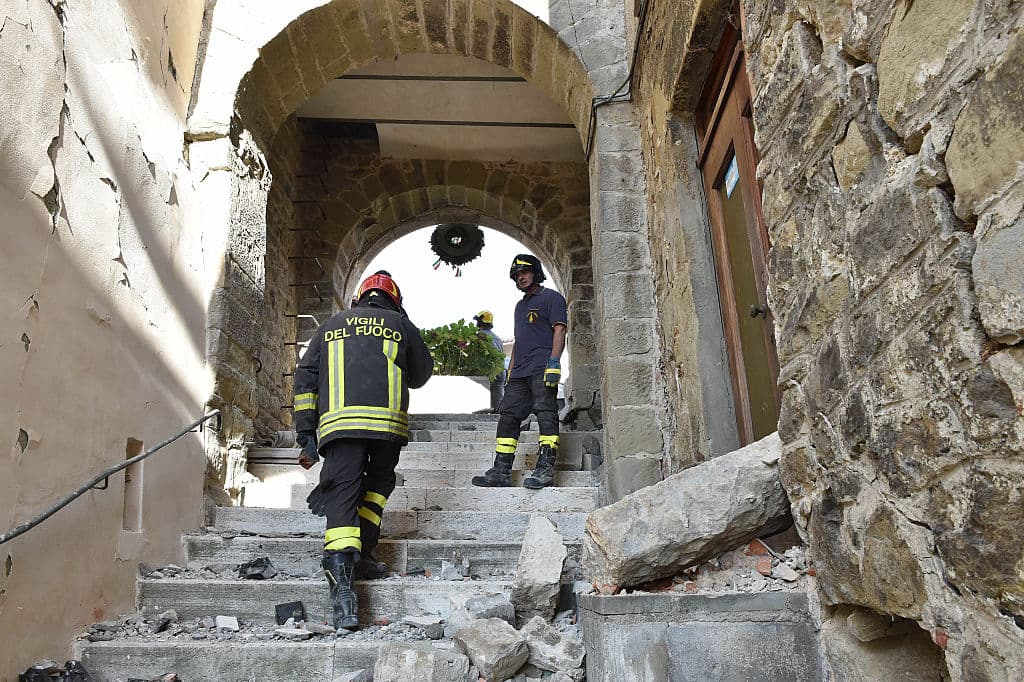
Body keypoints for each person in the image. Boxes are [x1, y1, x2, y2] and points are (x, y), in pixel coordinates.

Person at [292, 270, 433, 630]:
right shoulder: (400, 324)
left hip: (340, 427)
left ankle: (343, 588)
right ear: (394, 300)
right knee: (377, 487)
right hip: (386, 428)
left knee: (343, 493)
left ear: (358, 298)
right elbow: (420, 375)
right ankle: (363, 551)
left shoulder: (330, 325)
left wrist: (306, 431)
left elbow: (306, 377)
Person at [472, 254, 567, 490]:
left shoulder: (552, 299)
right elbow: (519, 341)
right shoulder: (520, 306)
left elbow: (560, 330)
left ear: (535, 272)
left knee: (545, 413)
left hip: (542, 367)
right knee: (507, 418)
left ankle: (545, 469)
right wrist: (511, 371)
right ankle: (501, 471)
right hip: (519, 373)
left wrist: (554, 361)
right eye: (516, 275)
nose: (520, 278)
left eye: (524, 273)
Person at [473, 310, 505, 412]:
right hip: (500, 371)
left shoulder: (478, 337)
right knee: (497, 405)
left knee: (482, 407)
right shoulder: (497, 338)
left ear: (480, 323)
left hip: (487, 370)